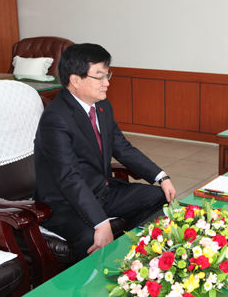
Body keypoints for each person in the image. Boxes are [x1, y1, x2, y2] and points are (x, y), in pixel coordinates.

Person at [33, 43, 176, 260]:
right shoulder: (56, 119)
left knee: (159, 198)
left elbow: (122, 147)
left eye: (107, 74)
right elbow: (69, 178)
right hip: (66, 203)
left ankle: (136, 260)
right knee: (91, 237)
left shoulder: (101, 106)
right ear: (75, 80)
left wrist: (161, 176)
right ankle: (87, 287)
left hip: (101, 191)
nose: (107, 83)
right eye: (99, 77)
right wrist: (101, 222)